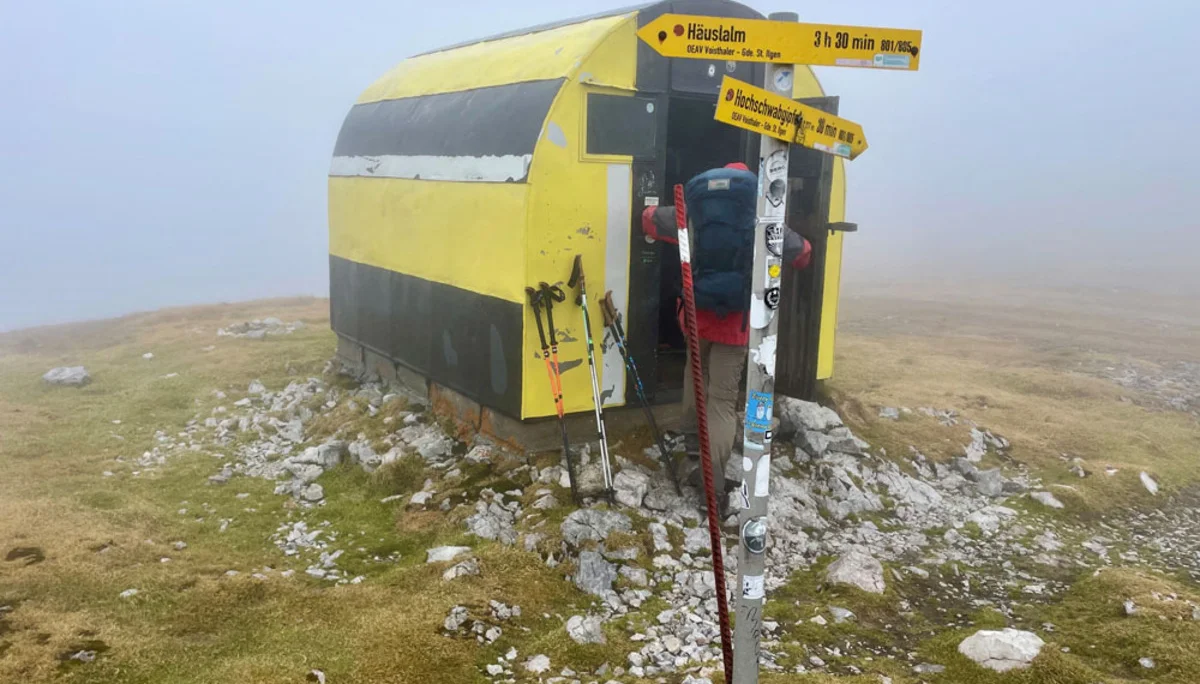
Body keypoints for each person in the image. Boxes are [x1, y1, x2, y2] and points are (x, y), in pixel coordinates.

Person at [641, 162, 812, 509]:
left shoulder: (694, 207)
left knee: (694, 375)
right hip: (735, 321)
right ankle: (712, 482)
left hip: (696, 312)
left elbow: (649, 220)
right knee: (720, 400)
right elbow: (802, 253)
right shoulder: (761, 214)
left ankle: (692, 446)